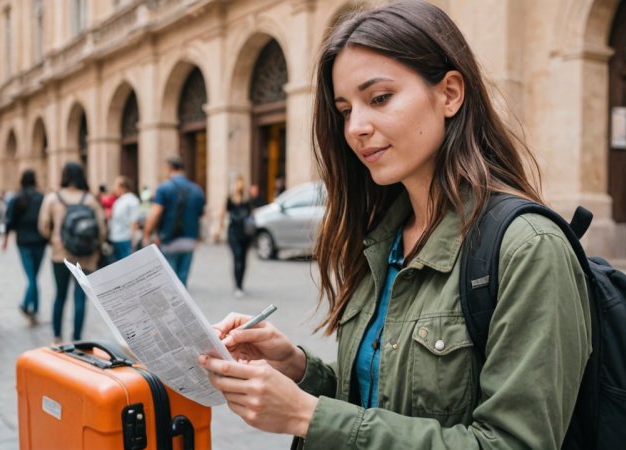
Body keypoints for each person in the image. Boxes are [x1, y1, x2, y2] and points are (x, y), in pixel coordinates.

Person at [199, 2, 591, 448]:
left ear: (449, 94)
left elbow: (516, 443)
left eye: (379, 98)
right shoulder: (381, 236)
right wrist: (296, 369)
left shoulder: (528, 248)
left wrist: (308, 415)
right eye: (345, 109)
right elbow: (375, 402)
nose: (356, 128)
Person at [38, 162, 106, 343]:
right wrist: (94, 246)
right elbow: (102, 230)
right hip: (86, 255)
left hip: (61, 254)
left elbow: (43, 227)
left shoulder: (53, 198)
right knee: (80, 297)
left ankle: (57, 337)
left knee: (60, 295)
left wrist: (54, 236)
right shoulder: (90, 199)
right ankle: (77, 338)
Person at [142, 156, 205, 286]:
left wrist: (146, 235)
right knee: (183, 280)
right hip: (189, 240)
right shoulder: (197, 190)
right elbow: (201, 215)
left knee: (170, 282)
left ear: (170, 167)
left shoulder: (164, 188)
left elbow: (155, 213)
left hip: (169, 240)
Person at [3, 169, 47, 326]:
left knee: (31, 278)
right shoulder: (41, 198)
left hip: (23, 242)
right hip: (40, 242)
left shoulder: (16, 198)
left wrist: (5, 239)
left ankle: (27, 306)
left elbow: (9, 220)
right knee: (34, 277)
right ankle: (33, 311)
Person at [215, 175, 254, 298]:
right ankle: (237, 286)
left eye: (241, 182)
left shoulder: (247, 199)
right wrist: (218, 230)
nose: (239, 185)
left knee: (243, 259)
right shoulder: (230, 199)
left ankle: (240, 284)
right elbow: (222, 214)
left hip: (245, 233)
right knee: (237, 256)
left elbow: (251, 215)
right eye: (238, 183)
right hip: (233, 232)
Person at [109, 175, 140, 261]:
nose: (113, 188)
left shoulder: (132, 200)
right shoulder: (119, 201)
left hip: (126, 239)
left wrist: (133, 243)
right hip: (117, 239)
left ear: (121, 186)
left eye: (115, 185)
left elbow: (134, 222)